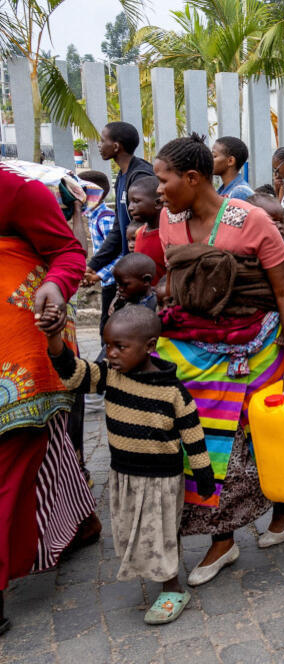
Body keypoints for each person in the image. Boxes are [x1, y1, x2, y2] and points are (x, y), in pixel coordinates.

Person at [153, 134, 284, 586]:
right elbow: (177, 280)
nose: (159, 189)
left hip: (256, 348)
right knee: (210, 444)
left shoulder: (252, 220)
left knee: (260, 437)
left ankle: (282, 505)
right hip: (196, 350)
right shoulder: (168, 220)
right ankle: (224, 537)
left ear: (193, 177)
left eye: (164, 180)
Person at [41, 305, 215, 625]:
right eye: (108, 345)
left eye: (120, 347)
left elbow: (194, 436)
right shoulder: (110, 373)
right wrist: (54, 337)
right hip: (124, 474)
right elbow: (75, 374)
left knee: (161, 531)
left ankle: (172, 586)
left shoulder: (173, 392)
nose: (112, 354)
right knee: (133, 527)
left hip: (161, 479)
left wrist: (205, 476)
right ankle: (151, 569)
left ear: (149, 346)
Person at [0, 162, 97, 636]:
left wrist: (56, 287)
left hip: (22, 349)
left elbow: (66, 252)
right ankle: (78, 525)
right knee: (51, 451)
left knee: (22, 462)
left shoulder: (13, 188)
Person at [84, 122, 154, 304]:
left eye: (102, 140)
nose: (99, 145)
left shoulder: (140, 176)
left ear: (116, 146)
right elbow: (119, 230)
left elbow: (149, 225)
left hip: (141, 271)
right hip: (127, 269)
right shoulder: (122, 177)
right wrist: (93, 265)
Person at [78, 170, 119, 331]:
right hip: (107, 281)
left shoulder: (105, 219)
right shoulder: (93, 217)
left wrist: (98, 275)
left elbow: (119, 255)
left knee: (107, 328)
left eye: (79, 191)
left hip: (114, 282)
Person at [126, 175, 167, 286]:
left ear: (158, 203)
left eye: (136, 201)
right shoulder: (139, 233)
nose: (130, 207)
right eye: (130, 202)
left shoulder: (167, 236)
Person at [213, 136, 255, 202]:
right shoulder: (223, 190)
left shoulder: (239, 193)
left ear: (230, 161)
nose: (210, 160)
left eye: (214, 156)